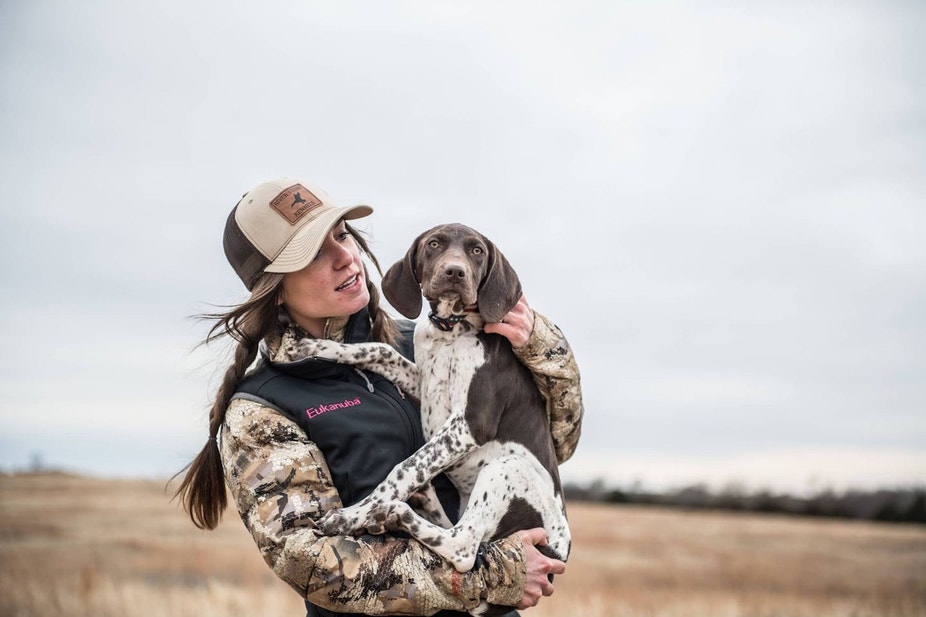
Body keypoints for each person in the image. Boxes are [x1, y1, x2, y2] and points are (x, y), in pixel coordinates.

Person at [175, 178, 584, 616]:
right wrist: (489, 574)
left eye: (342, 233)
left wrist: (539, 343)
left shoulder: (425, 342)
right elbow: (313, 564)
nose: (345, 257)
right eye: (314, 253)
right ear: (272, 287)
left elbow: (558, 442)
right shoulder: (262, 409)